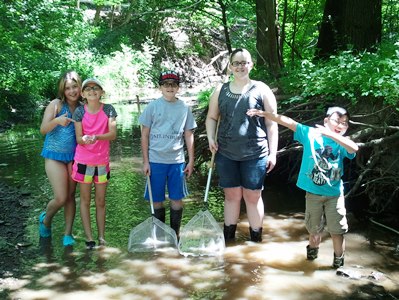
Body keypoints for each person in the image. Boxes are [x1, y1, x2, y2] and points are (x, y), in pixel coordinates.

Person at [246, 106, 359, 268]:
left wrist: (332, 135)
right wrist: (265, 114)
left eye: (344, 123)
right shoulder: (310, 134)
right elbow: (288, 122)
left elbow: (354, 148)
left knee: (337, 231)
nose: (340, 125)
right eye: (336, 121)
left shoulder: (342, 142)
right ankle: (311, 262)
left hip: (335, 194)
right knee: (314, 231)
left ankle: (338, 265)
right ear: (326, 121)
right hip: (313, 194)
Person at [205, 48, 278, 242]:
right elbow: (212, 117)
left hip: (256, 152)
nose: (240, 66)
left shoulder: (262, 89)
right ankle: (229, 240)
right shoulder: (221, 90)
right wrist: (211, 138)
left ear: (251, 65)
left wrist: (273, 154)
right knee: (231, 196)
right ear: (230, 66)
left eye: (244, 62)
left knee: (253, 197)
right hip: (226, 152)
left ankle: (256, 240)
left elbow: (272, 123)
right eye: (236, 63)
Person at [139, 70, 197, 238]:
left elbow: (188, 134)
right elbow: (144, 134)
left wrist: (191, 160)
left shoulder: (184, 108)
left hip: (177, 160)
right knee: (156, 198)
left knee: (176, 198)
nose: (170, 87)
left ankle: (175, 233)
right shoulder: (152, 107)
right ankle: (160, 233)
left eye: (173, 84)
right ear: (160, 87)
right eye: (166, 84)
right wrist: (145, 161)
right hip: (156, 160)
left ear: (178, 88)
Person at [71, 78, 117, 249]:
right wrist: (84, 139)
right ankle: (89, 238)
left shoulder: (109, 109)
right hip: (83, 161)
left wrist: (96, 137)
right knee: (85, 200)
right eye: (88, 89)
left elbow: (112, 134)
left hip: (102, 163)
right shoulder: (79, 112)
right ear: (83, 94)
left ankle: (102, 237)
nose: (92, 91)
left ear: (101, 92)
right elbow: (78, 138)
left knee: (101, 201)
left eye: (95, 88)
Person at [39, 70, 82, 246]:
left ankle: (67, 235)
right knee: (61, 197)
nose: (72, 91)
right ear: (63, 91)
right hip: (54, 156)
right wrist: (56, 121)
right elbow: (42, 129)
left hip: (73, 157)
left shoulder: (82, 107)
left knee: (71, 196)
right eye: (67, 88)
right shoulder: (56, 105)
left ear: (80, 87)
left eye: (74, 87)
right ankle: (45, 220)